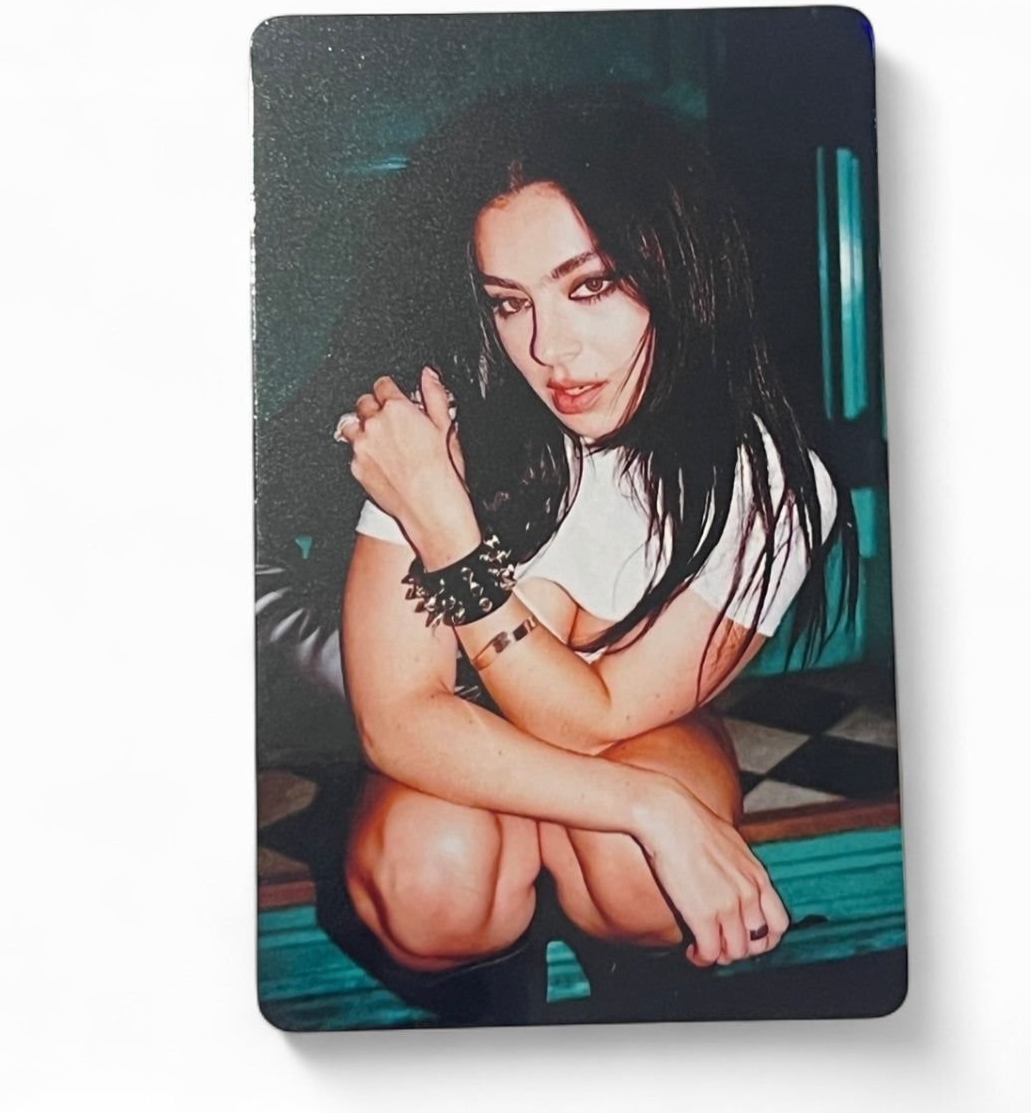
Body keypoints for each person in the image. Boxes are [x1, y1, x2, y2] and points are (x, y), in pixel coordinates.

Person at [331, 92, 855, 996]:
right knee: (428, 879)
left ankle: (637, 1005)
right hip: (468, 748)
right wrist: (655, 810)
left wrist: (450, 535)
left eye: (591, 286)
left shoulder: (763, 478)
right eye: (509, 303)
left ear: (679, 268)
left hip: (632, 735)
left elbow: (595, 719)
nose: (550, 349)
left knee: (636, 872)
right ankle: (501, 1006)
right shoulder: (440, 425)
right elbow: (398, 717)